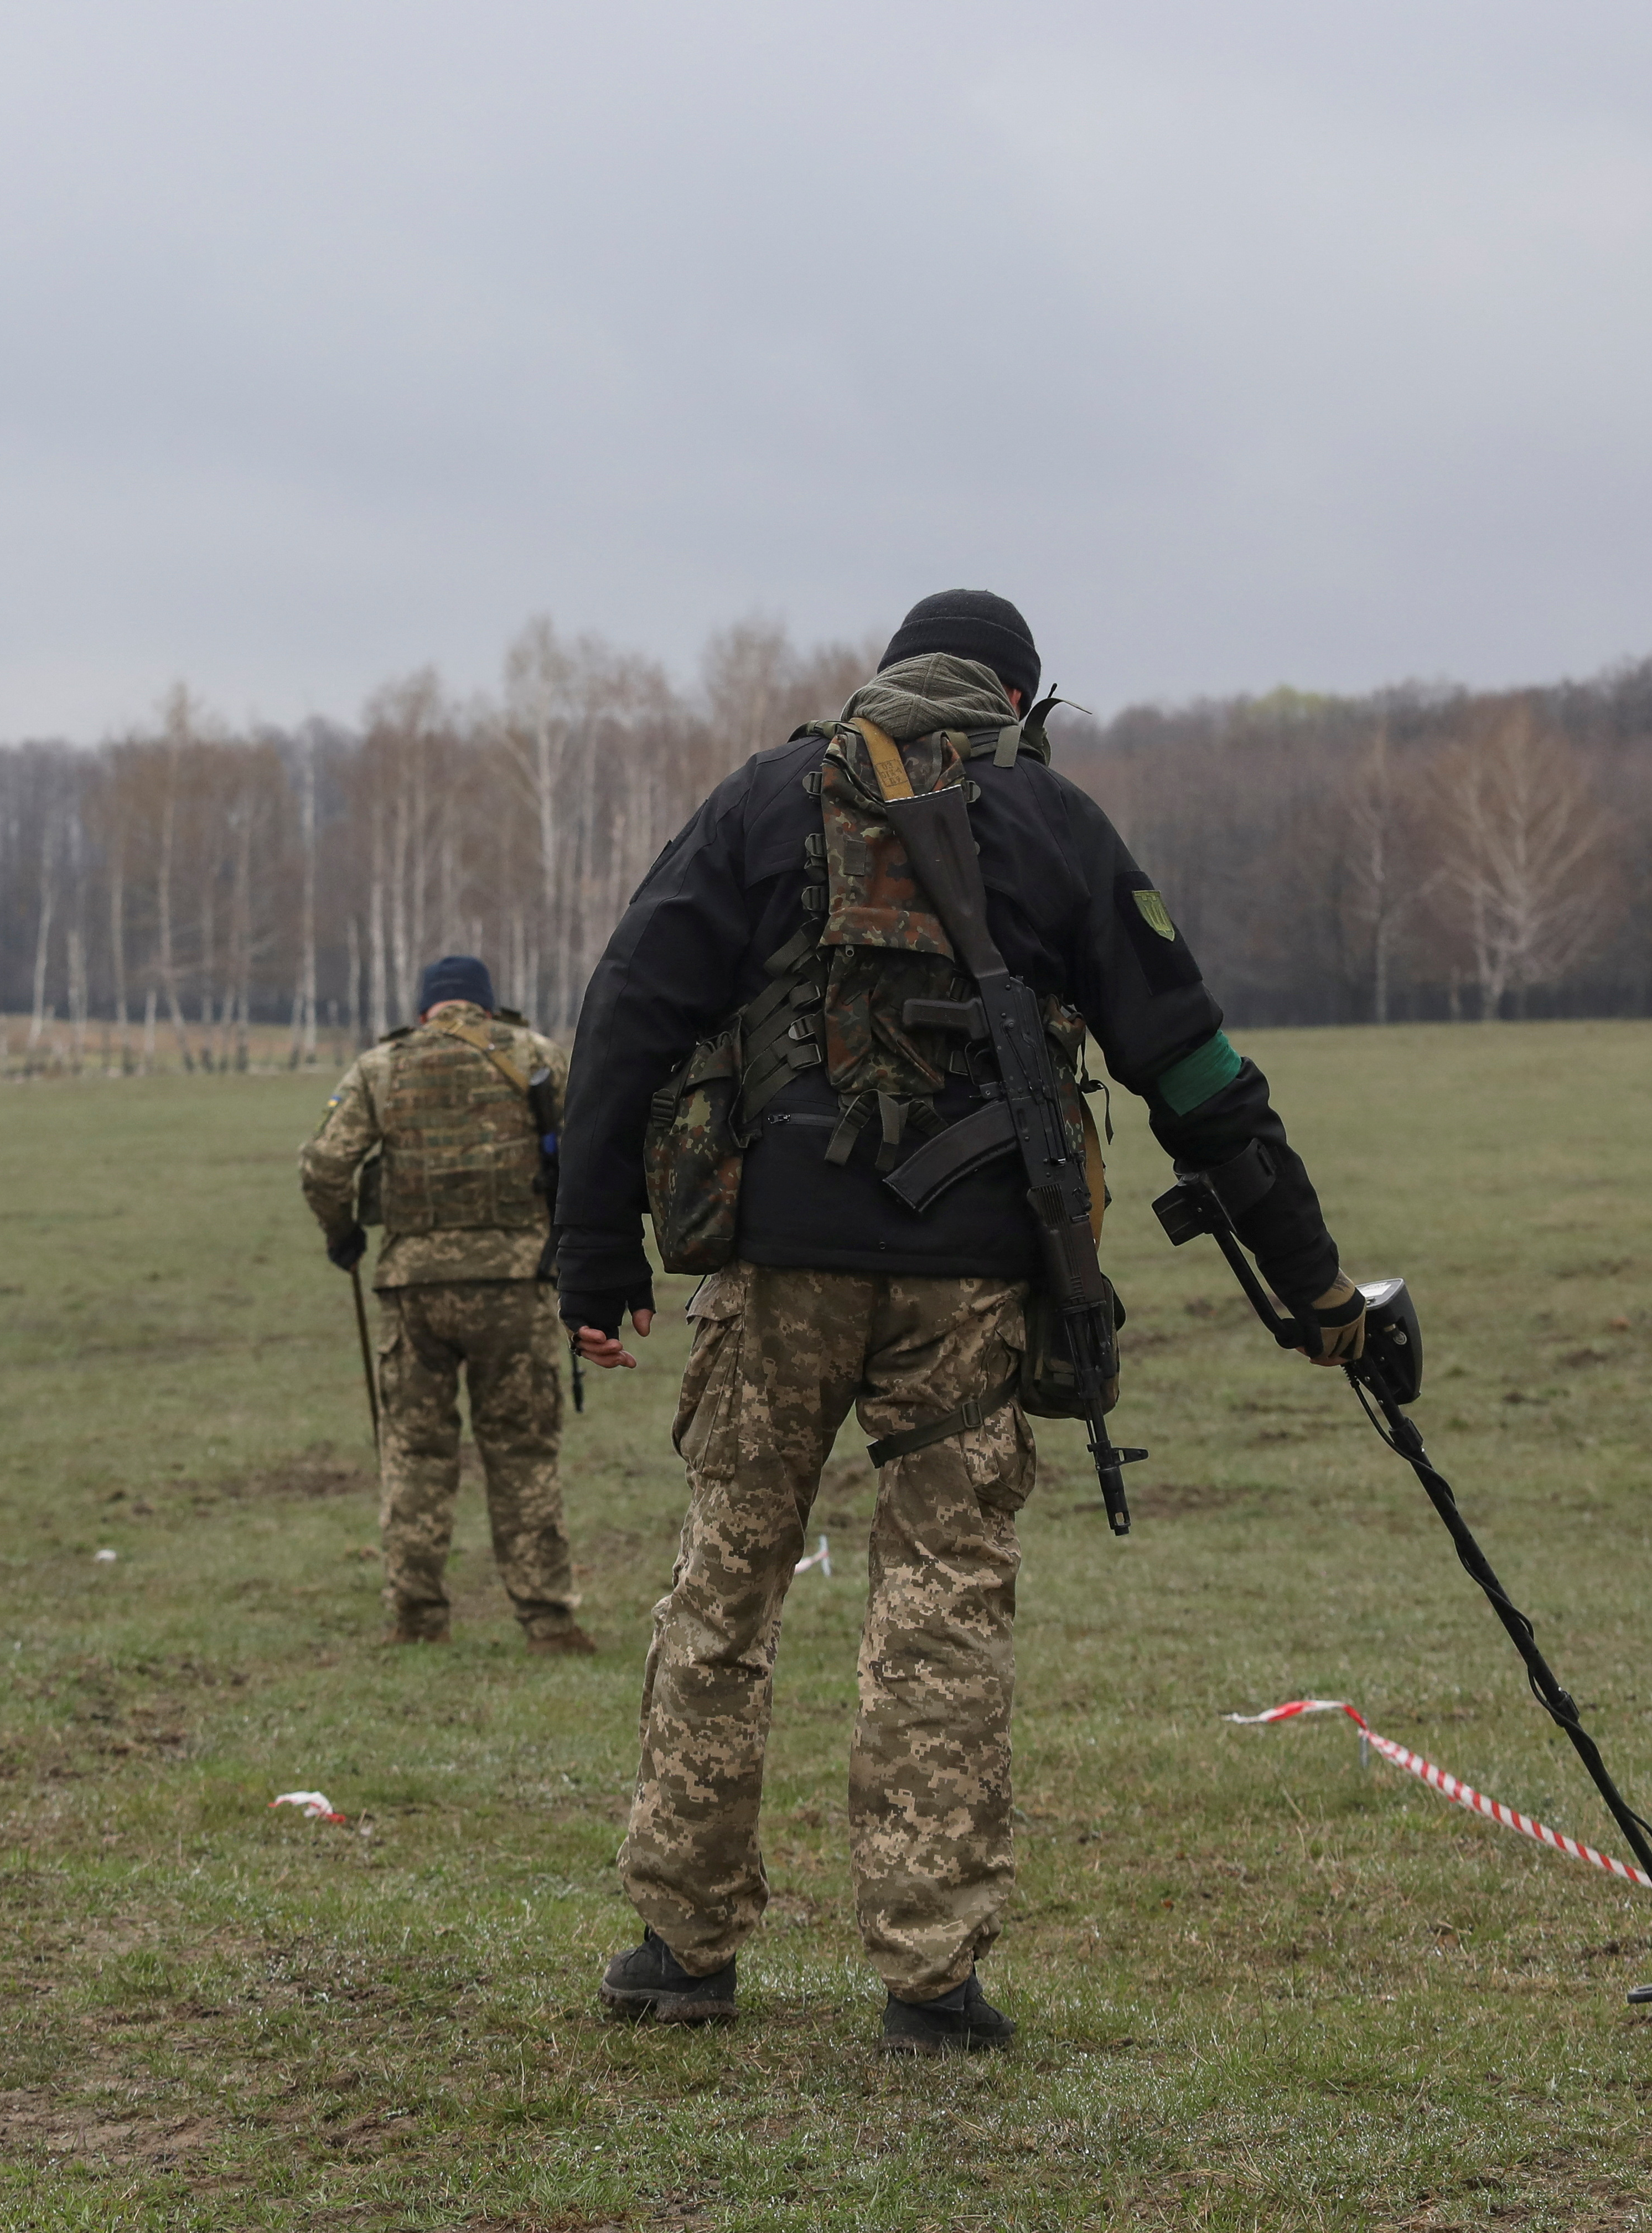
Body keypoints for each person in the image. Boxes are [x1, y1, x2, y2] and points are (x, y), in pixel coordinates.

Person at [556, 591, 1369, 2055]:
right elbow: (1197, 1075)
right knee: (940, 1597)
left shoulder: (761, 803)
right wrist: (1311, 1285)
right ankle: (929, 1977)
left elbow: (627, 1008)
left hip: (776, 1267)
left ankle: (681, 1943)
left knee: (725, 1583)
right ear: (1017, 704)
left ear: (887, 682)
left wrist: (589, 1247)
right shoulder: (1050, 827)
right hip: (970, 1285)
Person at [299, 955, 595, 1655]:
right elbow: (590, 1149)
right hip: (516, 1287)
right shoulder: (535, 1056)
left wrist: (344, 1236)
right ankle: (549, 1622)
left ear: (427, 1006)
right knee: (523, 1452)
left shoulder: (381, 1067)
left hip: (414, 1291)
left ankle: (417, 1616)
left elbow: (323, 1165)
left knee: (416, 1453)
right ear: (486, 1006)